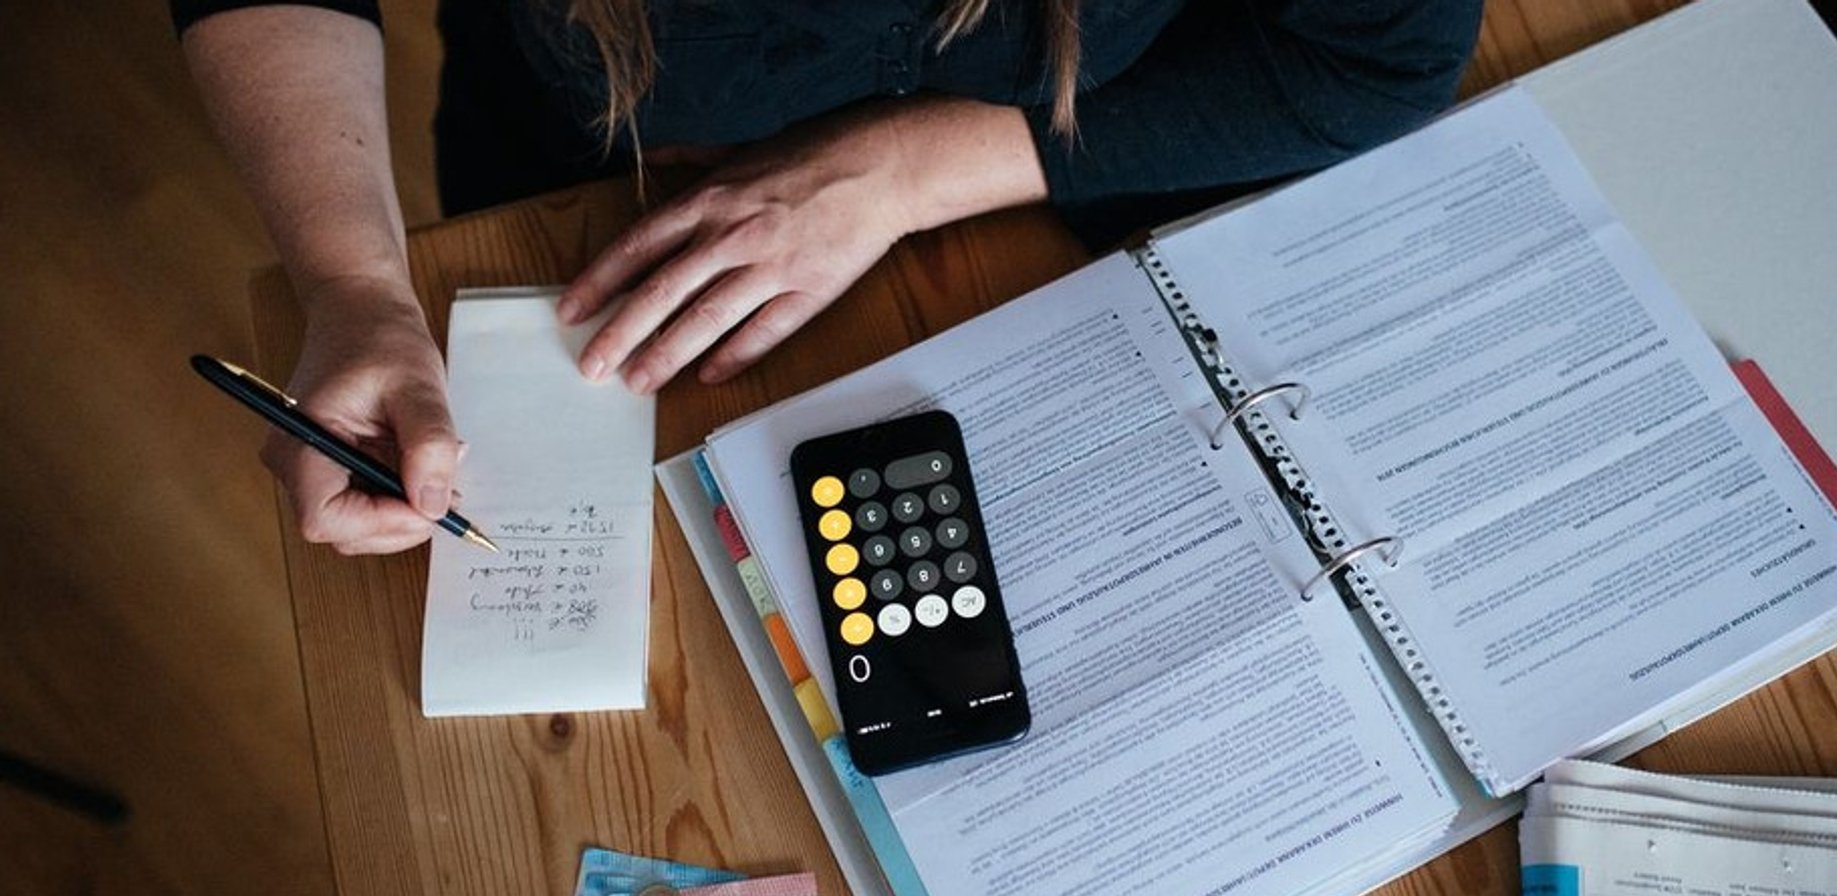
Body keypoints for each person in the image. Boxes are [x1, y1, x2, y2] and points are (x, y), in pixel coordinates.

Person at [174, 0, 1482, 555]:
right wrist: (351, 279)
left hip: (1099, 152)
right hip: (605, 185)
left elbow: (1380, 54)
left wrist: (910, 172)